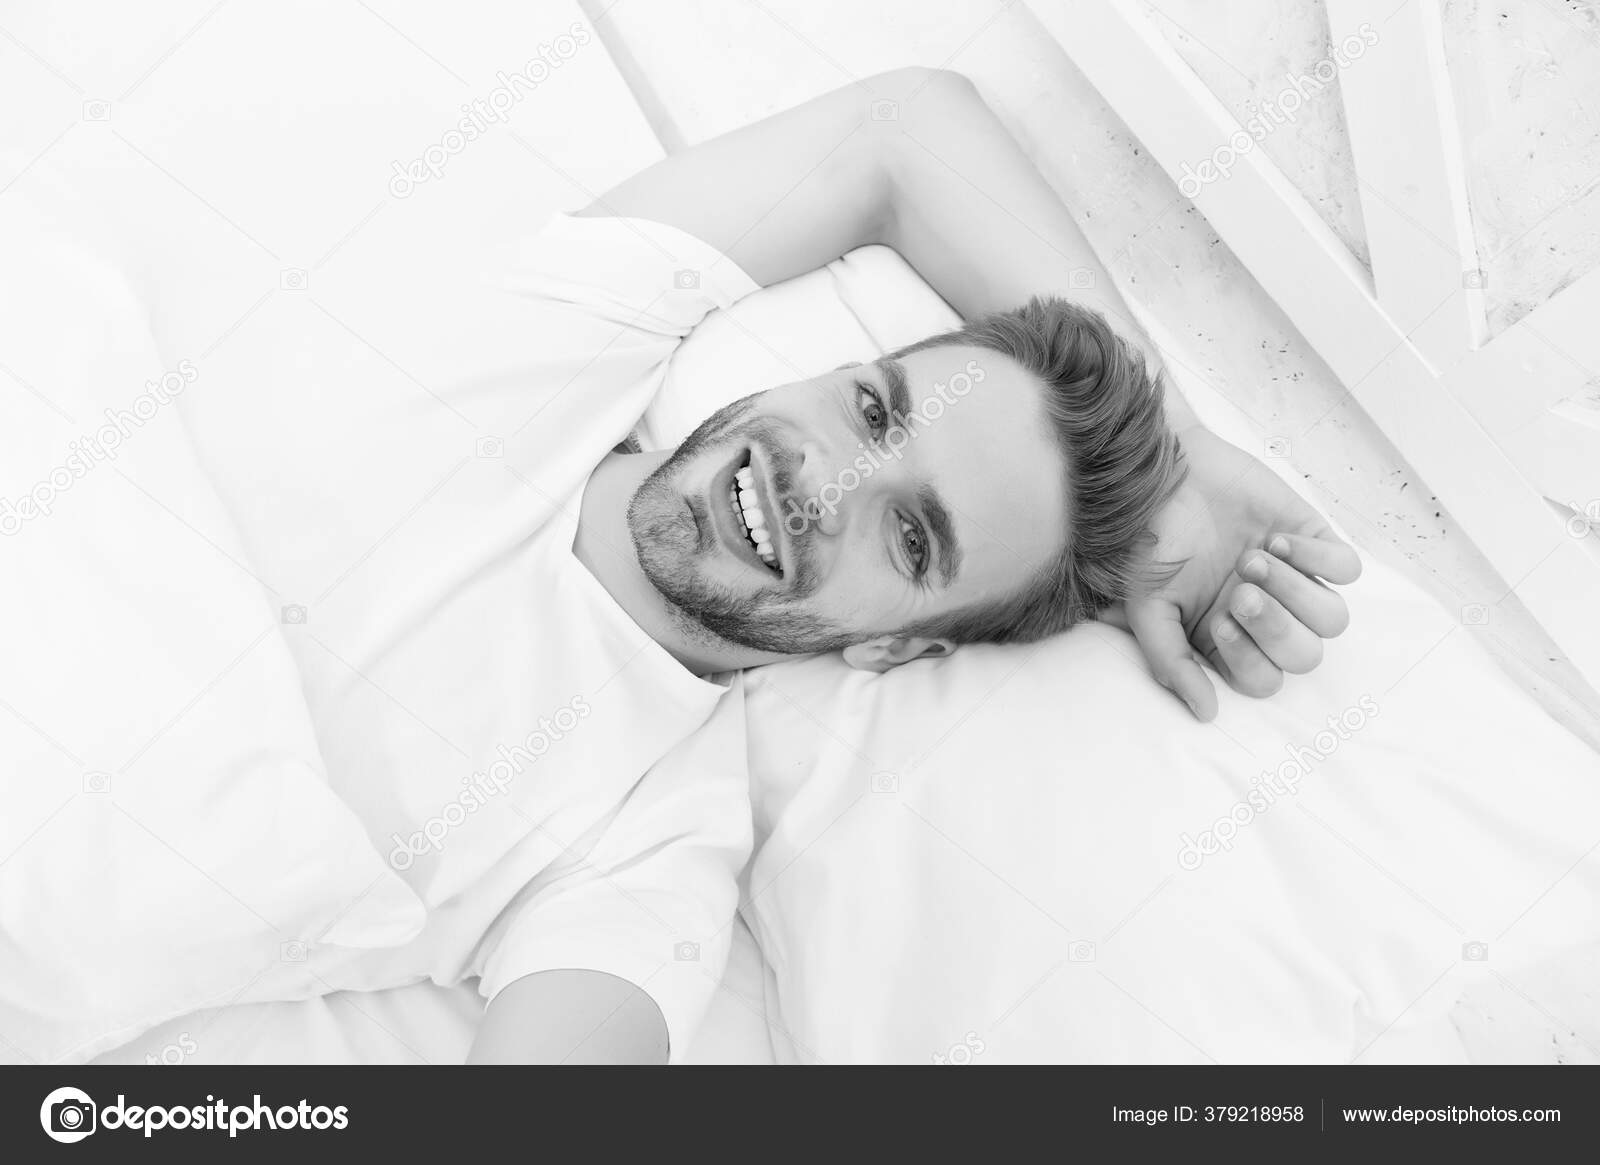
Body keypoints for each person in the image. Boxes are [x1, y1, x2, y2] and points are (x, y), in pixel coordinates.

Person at [450, 67, 1357, 1061]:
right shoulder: (554, 320)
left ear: (897, 645)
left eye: (910, 536)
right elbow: (907, 130)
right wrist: (1176, 440)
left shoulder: (640, 844)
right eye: (873, 412)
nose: (823, 486)